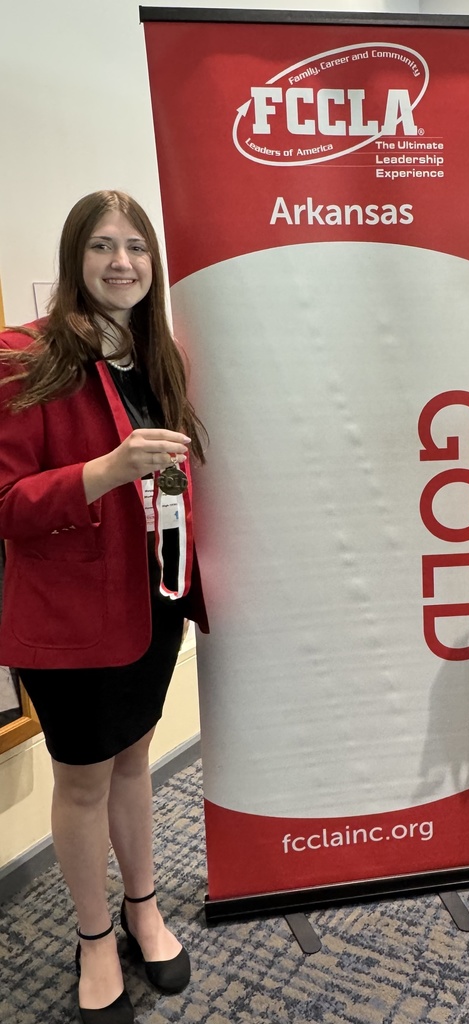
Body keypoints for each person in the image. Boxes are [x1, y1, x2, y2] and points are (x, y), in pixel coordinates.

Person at [0, 190, 209, 1023]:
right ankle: (93, 938)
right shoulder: (23, 356)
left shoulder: (159, 354)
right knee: (82, 783)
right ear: (73, 258)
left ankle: (142, 906)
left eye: (136, 248)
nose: (122, 263)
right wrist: (103, 471)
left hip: (151, 605)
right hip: (70, 619)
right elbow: (7, 504)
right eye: (102, 247)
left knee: (133, 765)